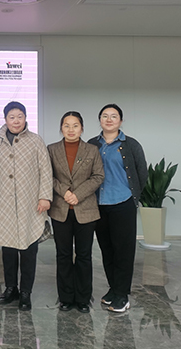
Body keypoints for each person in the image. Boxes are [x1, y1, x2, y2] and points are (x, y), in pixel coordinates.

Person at [0, 101, 53, 311]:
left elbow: (45, 170)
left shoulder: (35, 141)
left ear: (25, 118)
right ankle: (10, 288)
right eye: (12, 117)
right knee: (8, 249)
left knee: (29, 249)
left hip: (29, 203)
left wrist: (45, 197)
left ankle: (26, 293)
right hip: (3, 202)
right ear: (5, 119)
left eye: (20, 116)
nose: (16, 121)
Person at [88, 104, 147, 313]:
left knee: (123, 250)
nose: (109, 119)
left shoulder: (131, 145)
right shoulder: (92, 144)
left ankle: (122, 295)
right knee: (107, 249)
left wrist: (132, 196)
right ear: (100, 120)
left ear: (121, 121)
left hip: (123, 203)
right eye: (105, 116)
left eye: (114, 116)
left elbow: (142, 173)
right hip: (99, 204)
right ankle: (113, 289)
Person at [48, 111, 104, 313]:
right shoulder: (52, 149)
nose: (71, 130)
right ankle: (65, 297)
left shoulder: (92, 150)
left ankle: (82, 298)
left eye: (75, 125)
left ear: (82, 128)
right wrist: (65, 192)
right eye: (66, 125)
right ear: (61, 128)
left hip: (85, 209)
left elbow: (98, 176)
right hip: (60, 210)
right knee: (63, 255)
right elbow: (48, 176)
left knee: (84, 255)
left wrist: (77, 195)